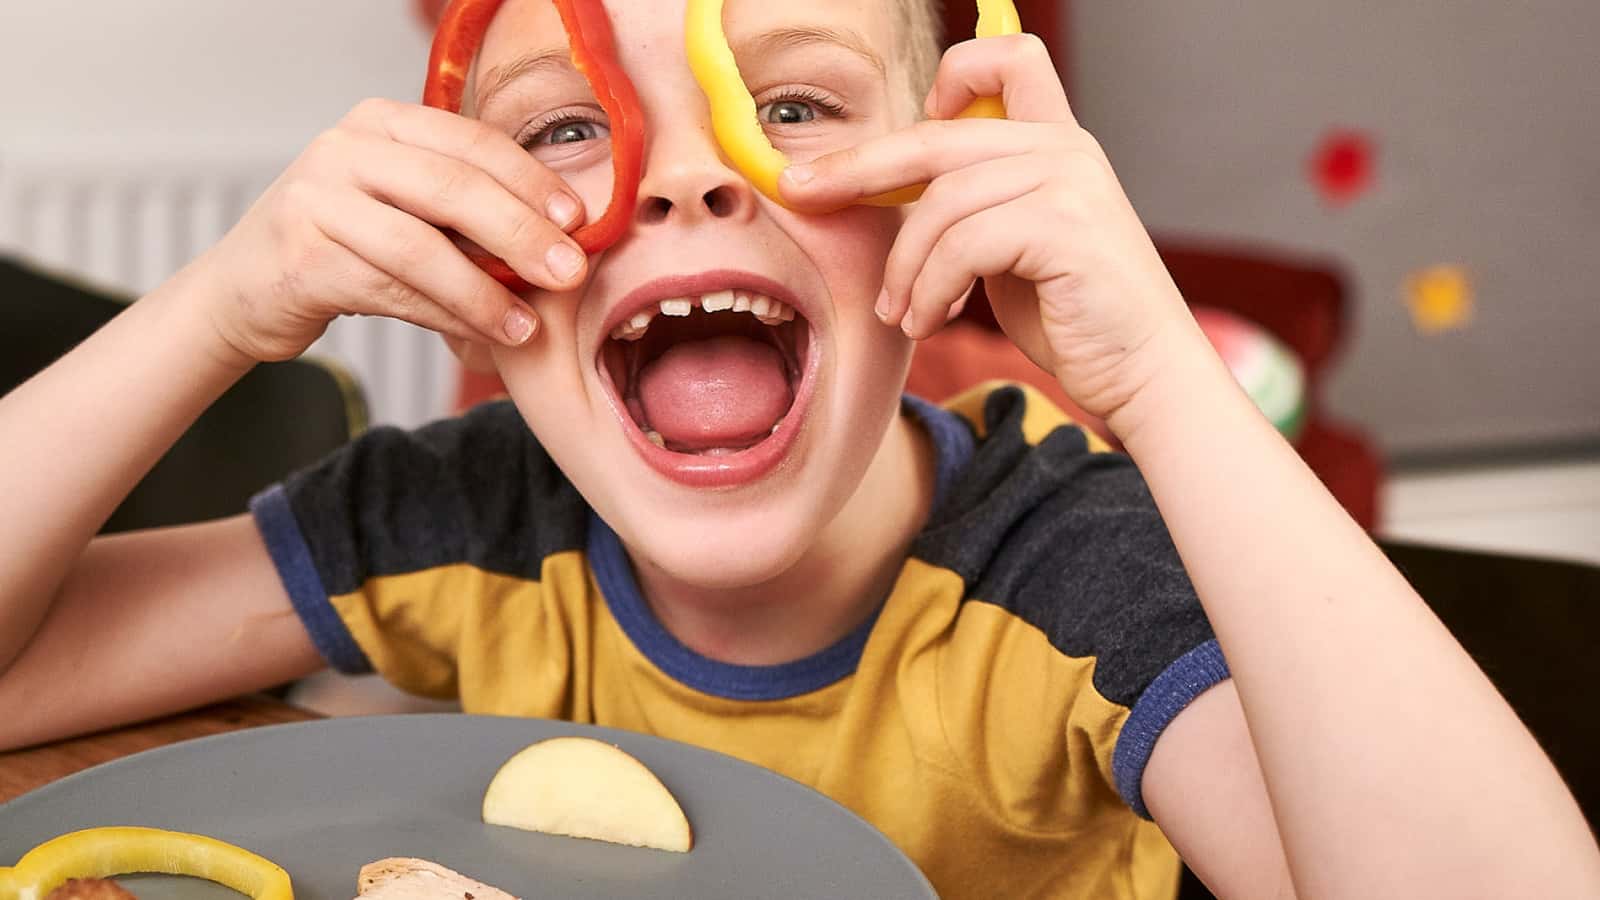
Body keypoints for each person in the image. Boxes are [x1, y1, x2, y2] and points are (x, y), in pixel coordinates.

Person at [1, 1, 1595, 897]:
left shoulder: (1074, 577)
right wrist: (219, 302)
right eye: (573, 129)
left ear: (946, 196)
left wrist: (1167, 380)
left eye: (795, 108)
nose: (688, 186)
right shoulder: (468, 518)